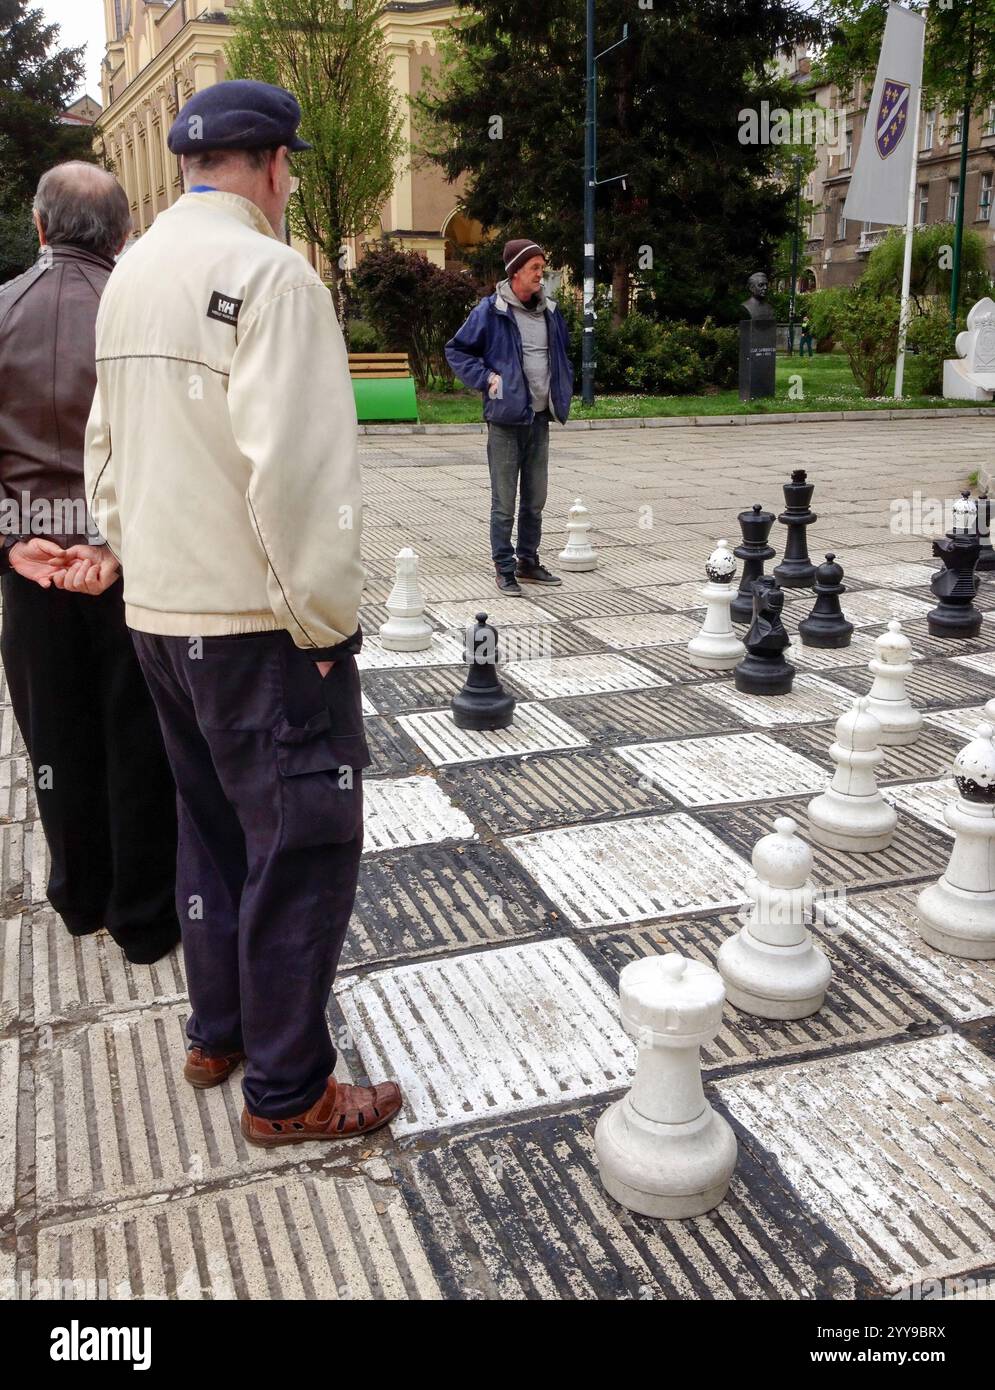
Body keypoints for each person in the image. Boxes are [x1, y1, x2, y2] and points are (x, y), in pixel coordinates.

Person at [84, 80, 402, 1144]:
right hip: (256, 625)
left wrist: (140, 565)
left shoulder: (129, 273)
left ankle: (215, 1032)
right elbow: (297, 479)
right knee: (303, 840)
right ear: (271, 166)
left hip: (159, 611)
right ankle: (288, 1088)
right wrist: (322, 626)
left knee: (210, 830)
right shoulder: (274, 276)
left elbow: (104, 453)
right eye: (292, 167)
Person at [0, 161, 180, 965]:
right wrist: (115, 545)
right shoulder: (147, 320)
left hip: (29, 565)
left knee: (54, 739)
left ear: (40, 227)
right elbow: (181, 454)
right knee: (139, 739)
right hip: (132, 565)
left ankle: (80, 896)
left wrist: (11, 544)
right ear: (122, 235)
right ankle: (145, 914)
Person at [445, 238, 574, 595]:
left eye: (541, 268)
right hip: (504, 420)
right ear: (516, 270)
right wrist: (487, 379)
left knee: (535, 498)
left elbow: (561, 353)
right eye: (535, 268)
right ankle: (504, 568)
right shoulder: (491, 310)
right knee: (504, 502)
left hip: (539, 418)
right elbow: (457, 351)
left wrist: (564, 383)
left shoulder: (550, 310)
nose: (540, 275)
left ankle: (528, 561)